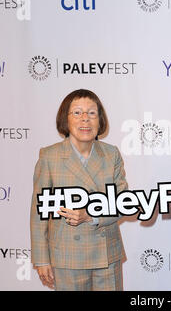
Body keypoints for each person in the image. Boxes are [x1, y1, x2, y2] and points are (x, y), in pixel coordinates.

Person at [30, 89, 128, 291]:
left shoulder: (111, 154)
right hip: (67, 257)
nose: (85, 119)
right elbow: (38, 213)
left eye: (92, 113)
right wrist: (41, 259)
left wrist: (90, 215)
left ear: (100, 121)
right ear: (65, 120)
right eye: (77, 113)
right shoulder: (50, 156)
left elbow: (124, 203)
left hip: (107, 255)